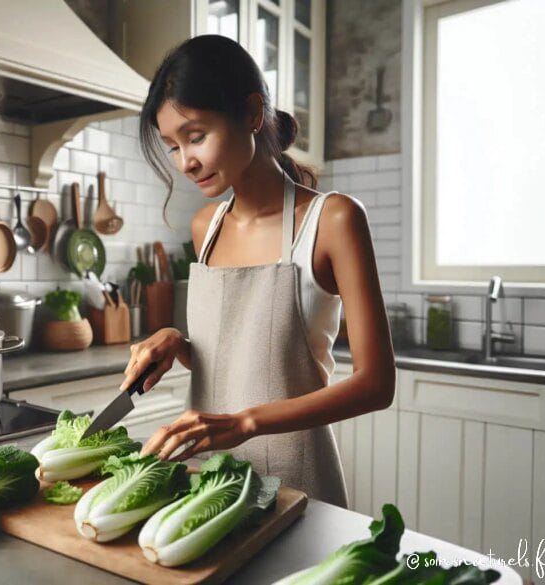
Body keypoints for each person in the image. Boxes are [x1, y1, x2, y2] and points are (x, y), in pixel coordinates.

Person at [119, 35, 396, 508]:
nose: (185, 161)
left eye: (196, 136)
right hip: (211, 489)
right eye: (172, 146)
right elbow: (240, 361)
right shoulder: (205, 227)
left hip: (299, 485)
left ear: (251, 114)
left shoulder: (333, 220)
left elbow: (376, 384)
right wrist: (176, 343)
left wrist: (245, 423)